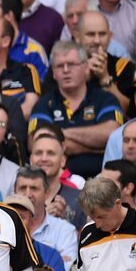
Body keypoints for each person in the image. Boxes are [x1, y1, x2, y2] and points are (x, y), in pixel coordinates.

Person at [30, 40, 124, 178]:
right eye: (60, 66)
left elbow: (112, 135)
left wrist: (61, 133)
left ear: (86, 68)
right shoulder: (44, 104)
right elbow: (36, 142)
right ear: (54, 73)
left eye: (72, 64)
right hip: (57, 182)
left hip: (102, 180)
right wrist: (99, 148)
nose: (66, 70)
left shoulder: (105, 99)